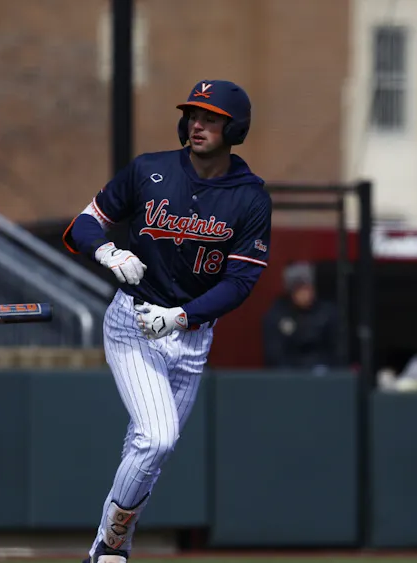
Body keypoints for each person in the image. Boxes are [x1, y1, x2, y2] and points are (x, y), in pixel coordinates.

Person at [63, 81, 270, 563]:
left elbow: (240, 282)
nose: (197, 124)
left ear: (234, 129)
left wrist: (180, 317)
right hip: (133, 323)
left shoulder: (250, 197)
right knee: (156, 437)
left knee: (151, 454)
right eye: (193, 115)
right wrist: (108, 250)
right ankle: (108, 547)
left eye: (211, 118)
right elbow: (82, 225)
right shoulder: (150, 169)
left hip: (191, 336)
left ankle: (113, 548)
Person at [262, 262, 338, 372]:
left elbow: (336, 351)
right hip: (288, 377)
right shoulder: (276, 315)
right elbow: (274, 354)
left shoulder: (327, 313)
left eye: (307, 288)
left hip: (321, 373)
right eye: (299, 288)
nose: (304, 293)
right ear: (290, 291)